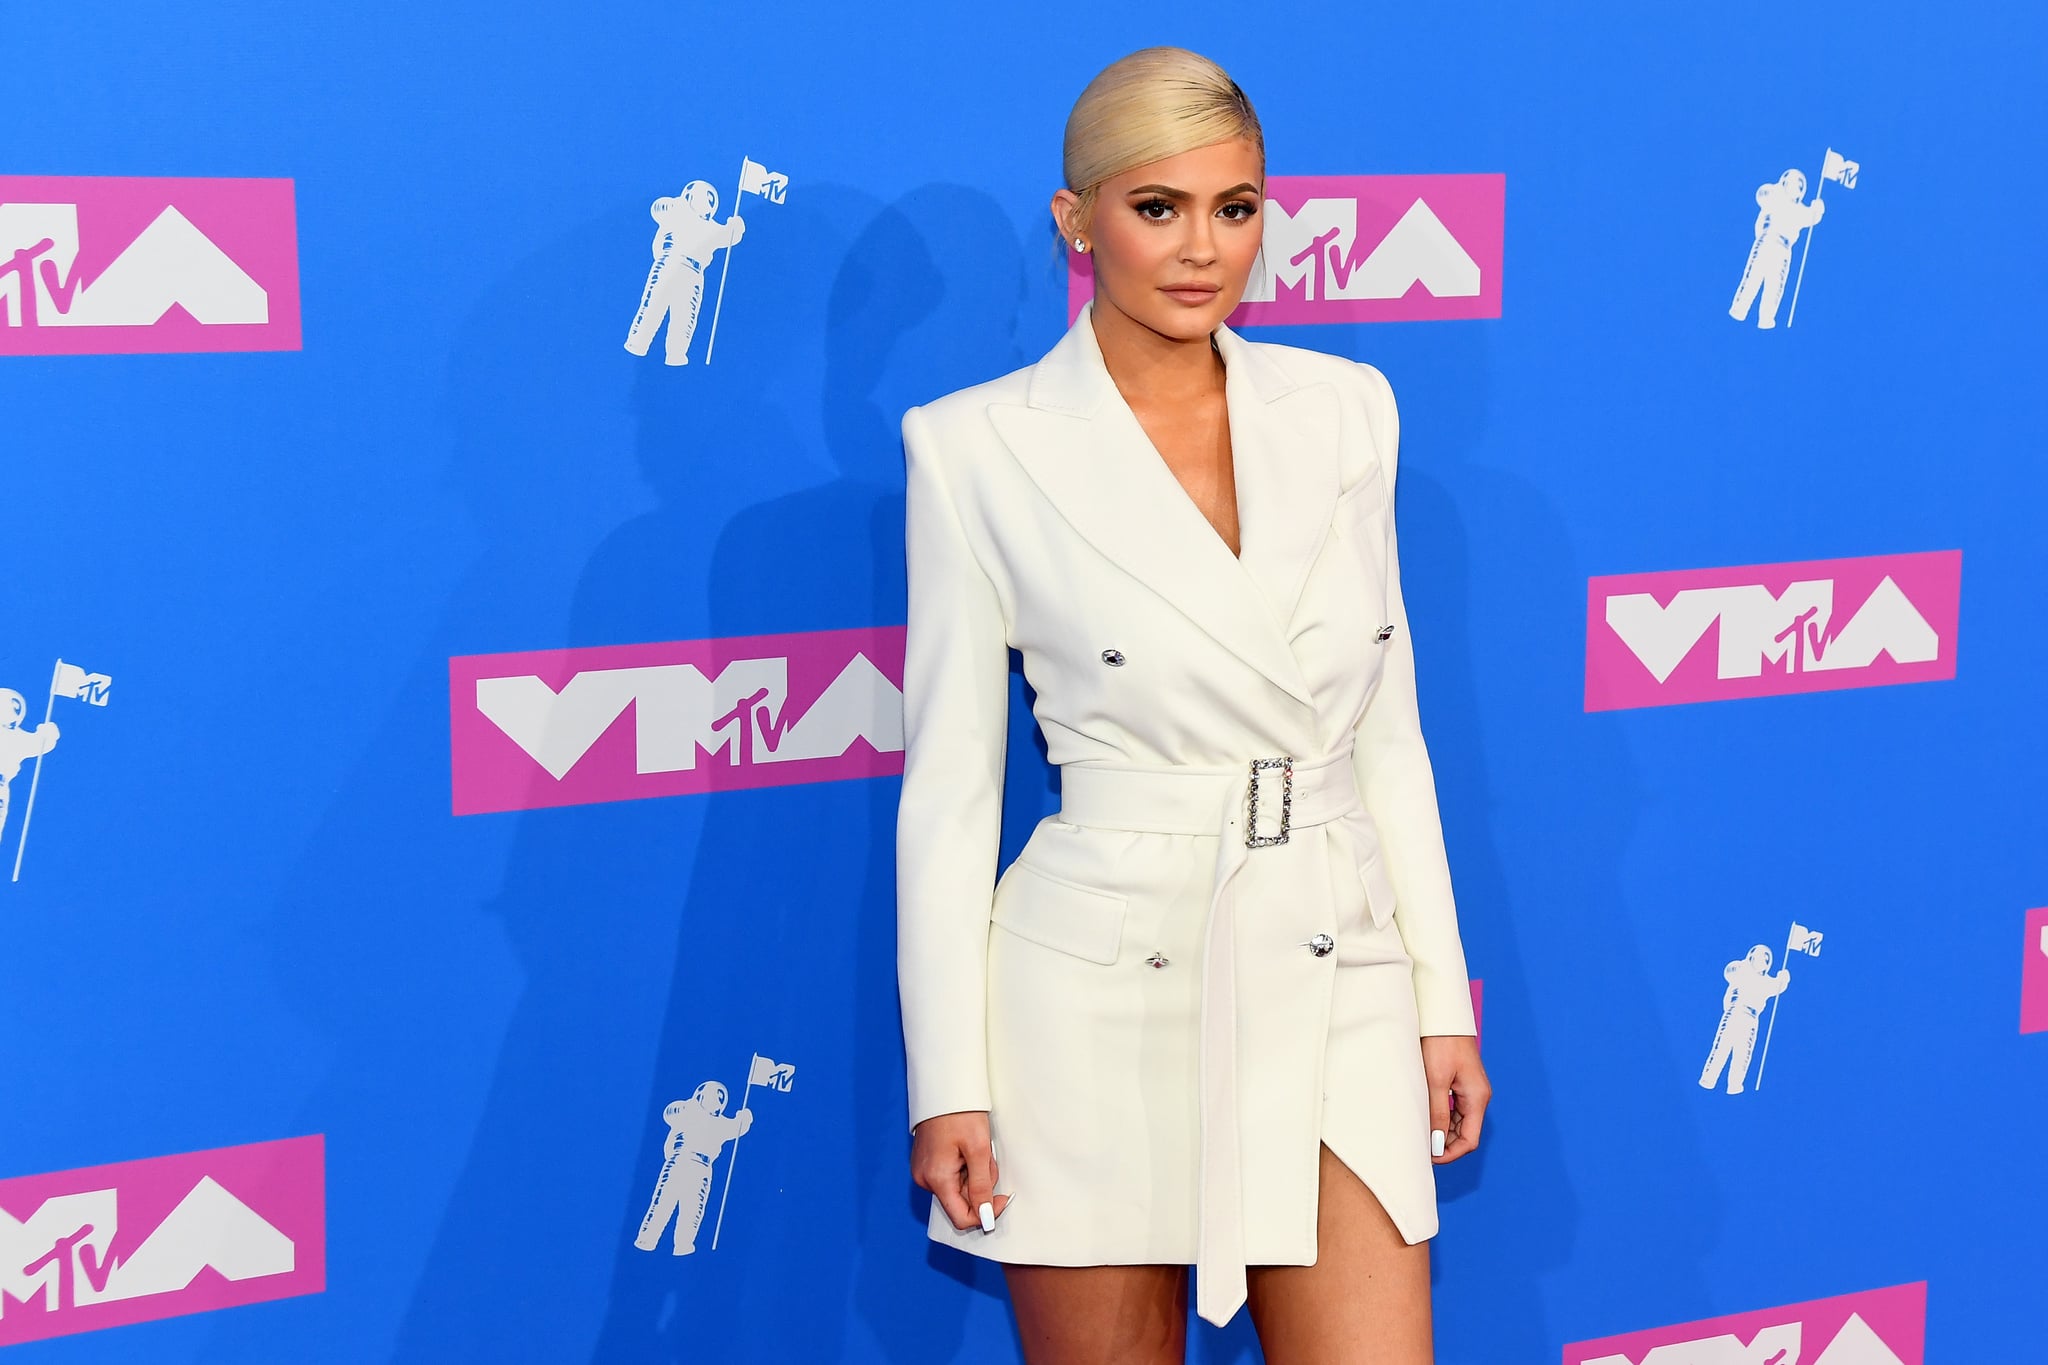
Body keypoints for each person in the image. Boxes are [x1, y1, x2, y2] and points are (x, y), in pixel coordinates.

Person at [894, 47, 1489, 1364]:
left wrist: (1442, 997)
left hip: (1333, 959)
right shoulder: (974, 447)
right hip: (1096, 984)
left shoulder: (1345, 413)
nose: (1203, 247)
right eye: (1157, 207)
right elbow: (949, 792)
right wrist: (952, 1078)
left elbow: (1388, 731)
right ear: (1076, 220)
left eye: (1237, 207)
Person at [623, 181, 746, 366]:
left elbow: (729, 236)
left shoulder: (710, 227)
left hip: (694, 273)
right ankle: (637, 344)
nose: (707, 201)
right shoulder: (676, 211)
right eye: (705, 196)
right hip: (669, 262)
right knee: (653, 306)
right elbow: (657, 208)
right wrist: (675, 204)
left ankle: (676, 355)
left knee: (685, 317)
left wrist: (735, 226)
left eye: (710, 199)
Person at [632, 1081, 753, 1256]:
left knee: (693, 1210)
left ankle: (683, 1246)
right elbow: (669, 1113)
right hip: (680, 1161)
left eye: (720, 1097)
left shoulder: (720, 1124)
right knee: (663, 1202)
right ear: (701, 1094)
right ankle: (646, 1239)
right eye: (714, 1094)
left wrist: (745, 1118)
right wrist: (690, 1108)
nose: (716, 1099)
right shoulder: (687, 1110)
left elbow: (737, 1128)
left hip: (702, 1168)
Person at [1729, 169, 1825, 330]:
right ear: (1785, 183)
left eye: (1799, 186)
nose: (1795, 188)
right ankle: (1739, 309)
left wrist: (1818, 209)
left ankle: (1766, 319)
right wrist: (1776, 191)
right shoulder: (1775, 197)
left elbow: (1811, 217)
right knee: (1753, 277)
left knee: (1775, 285)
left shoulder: (1799, 210)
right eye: (1792, 183)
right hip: (1767, 240)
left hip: (1784, 249)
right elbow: (1761, 194)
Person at [1699, 945, 1791, 1095]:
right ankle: (1708, 1079)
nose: (1763, 960)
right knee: (1722, 1047)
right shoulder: (1742, 970)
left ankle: (1735, 1085)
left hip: (1752, 1018)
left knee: (1743, 1054)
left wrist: (1783, 978)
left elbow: (1777, 987)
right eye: (1760, 956)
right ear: (1752, 957)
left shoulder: (1766, 982)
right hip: (1735, 1011)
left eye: (1766, 958)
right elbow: (1730, 971)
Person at [0, 688, 59, 844]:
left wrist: (49, 733)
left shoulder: (16, 737)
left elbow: (40, 743)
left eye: (15, 709)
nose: (13, 712)